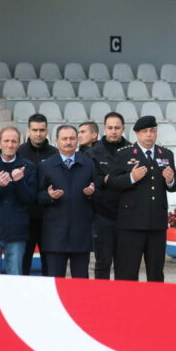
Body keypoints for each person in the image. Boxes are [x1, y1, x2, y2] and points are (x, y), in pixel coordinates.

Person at [108, 115, 176, 282]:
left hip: (156, 223)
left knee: (156, 273)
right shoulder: (125, 154)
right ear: (136, 134)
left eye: (152, 131)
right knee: (127, 271)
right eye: (145, 131)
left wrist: (170, 180)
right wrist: (131, 177)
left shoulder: (166, 154)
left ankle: (154, 306)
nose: (149, 135)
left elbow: (175, 185)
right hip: (131, 223)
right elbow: (112, 182)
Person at [38, 125, 98, 278]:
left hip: (81, 234)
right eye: (64, 139)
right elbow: (36, 196)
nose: (68, 142)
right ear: (56, 141)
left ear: (77, 140)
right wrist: (49, 195)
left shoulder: (88, 164)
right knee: (55, 282)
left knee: (81, 284)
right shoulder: (46, 166)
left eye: (72, 138)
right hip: (54, 235)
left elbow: (99, 195)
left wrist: (92, 193)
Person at [0, 127, 36, 275]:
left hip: (17, 231)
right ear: (0, 142)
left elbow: (31, 200)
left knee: (15, 276)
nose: (10, 144)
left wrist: (20, 182)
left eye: (14, 141)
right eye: (6, 141)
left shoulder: (29, 167)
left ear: (19, 143)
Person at [85, 112, 130, 279]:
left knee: (125, 264)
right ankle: (100, 300)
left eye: (117, 128)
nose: (113, 131)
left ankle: (123, 302)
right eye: (110, 128)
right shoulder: (92, 152)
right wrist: (106, 180)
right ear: (104, 129)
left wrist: (110, 179)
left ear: (123, 129)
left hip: (127, 216)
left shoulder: (131, 150)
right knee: (103, 263)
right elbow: (88, 179)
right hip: (102, 215)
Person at [18, 113, 58, 276]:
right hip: (24, 216)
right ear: (28, 130)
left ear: (47, 130)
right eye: (35, 130)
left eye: (42, 130)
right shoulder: (19, 152)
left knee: (50, 261)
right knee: (24, 261)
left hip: (50, 216)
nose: (38, 133)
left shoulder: (55, 153)